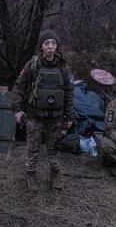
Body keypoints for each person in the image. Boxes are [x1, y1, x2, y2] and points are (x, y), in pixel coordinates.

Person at [12, 29, 74, 191]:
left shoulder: (63, 66)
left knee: (54, 148)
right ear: (41, 47)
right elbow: (18, 86)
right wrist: (17, 110)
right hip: (35, 115)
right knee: (33, 148)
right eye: (47, 43)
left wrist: (69, 116)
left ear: (57, 46)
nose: (50, 47)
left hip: (57, 117)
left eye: (53, 43)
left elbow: (69, 91)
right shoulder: (33, 64)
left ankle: (55, 174)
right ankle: (30, 174)